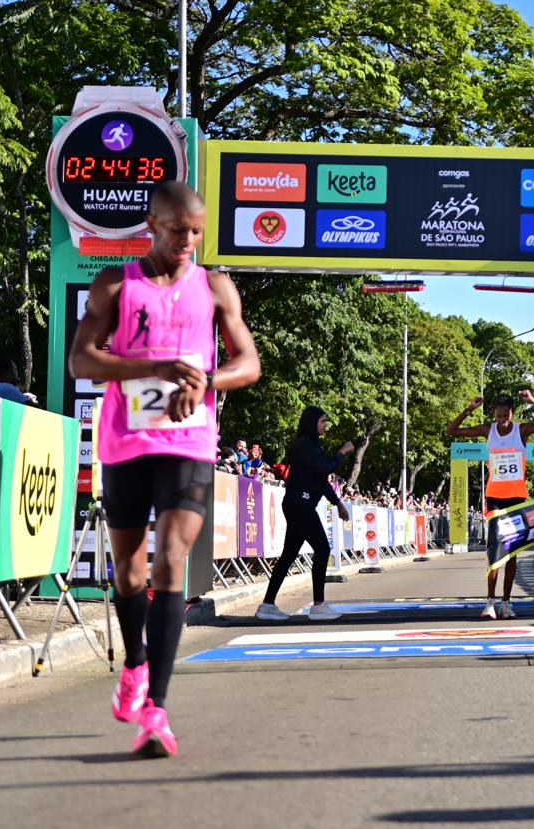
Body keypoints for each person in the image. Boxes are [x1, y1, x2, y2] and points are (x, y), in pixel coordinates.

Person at [69, 181, 260, 757]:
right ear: (151, 224)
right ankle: (135, 664)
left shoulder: (216, 286)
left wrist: (207, 380)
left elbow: (247, 362)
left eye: (197, 232)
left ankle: (157, 709)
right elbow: (83, 358)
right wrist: (152, 364)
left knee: (171, 554)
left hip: (191, 439)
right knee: (128, 567)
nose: (188, 241)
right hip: (128, 439)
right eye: (178, 230)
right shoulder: (114, 284)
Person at [446, 389, 534, 619]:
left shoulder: (522, 430)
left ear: (512, 413)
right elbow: (451, 431)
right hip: (495, 497)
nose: (502, 421)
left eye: (505, 417)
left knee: (512, 552)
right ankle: (490, 602)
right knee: (496, 548)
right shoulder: (488, 430)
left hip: (517, 497)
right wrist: (469, 409)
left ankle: (506, 602)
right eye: (498, 417)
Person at [255, 406, 353, 622]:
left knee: (288, 556)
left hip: (300, 504)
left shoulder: (311, 446)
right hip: (300, 504)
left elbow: (320, 479)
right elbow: (324, 469)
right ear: (312, 422)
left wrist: (337, 502)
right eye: (322, 421)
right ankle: (318, 605)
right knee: (322, 548)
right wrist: (341, 453)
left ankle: (267, 605)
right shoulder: (304, 445)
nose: (326, 425)